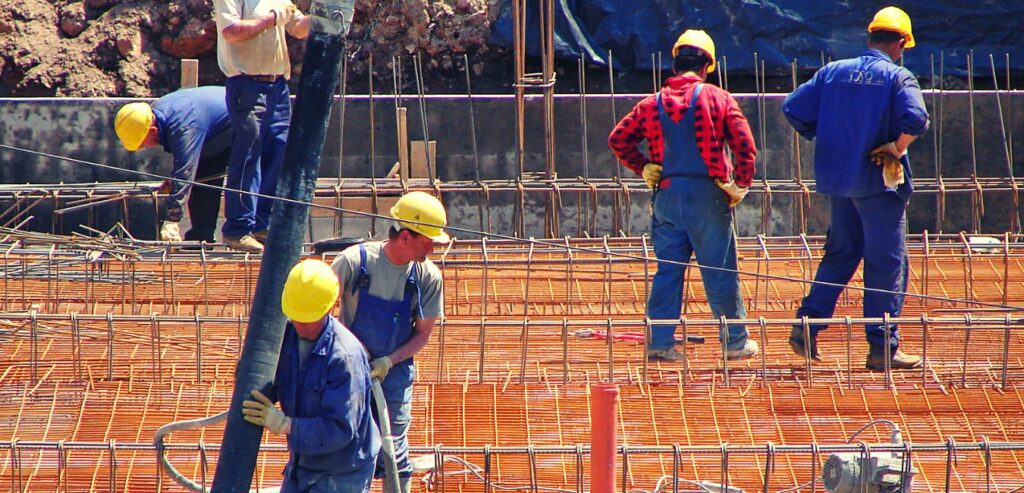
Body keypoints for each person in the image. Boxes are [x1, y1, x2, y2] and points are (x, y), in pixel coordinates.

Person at [782, 6, 929, 371]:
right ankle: (883, 348)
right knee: (885, 262)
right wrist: (896, 147)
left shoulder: (833, 71)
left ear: (869, 39)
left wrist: (831, 136)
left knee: (842, 253)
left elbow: (793, 108)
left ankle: (807, 326)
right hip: (879, 186)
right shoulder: (898, 77)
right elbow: (917, 119)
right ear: (900, 44)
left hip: (840, 182)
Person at [608, 29, 759, 363]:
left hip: (668, 197)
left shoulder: (651, 104)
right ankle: (734, 343)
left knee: (668, 271)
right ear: (708, 66)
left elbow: (618, 139)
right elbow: (745, 147)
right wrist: (740, 184)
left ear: (675, 64)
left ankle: (660, 343)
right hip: (708, 196)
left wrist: (643, 166)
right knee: (719, 271)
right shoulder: (718, 98)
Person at [330, 191, 448, 493]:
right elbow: (320, 314)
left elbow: (423, 333)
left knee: (393, 450)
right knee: (347, 445)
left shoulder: (426, 277)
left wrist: (388, 361)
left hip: (393, 373)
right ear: (406, 237)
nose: (433, 248)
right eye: (429, 240)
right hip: (350, 370)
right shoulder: (356, 262)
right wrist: (345, 355)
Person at [242, 258, 381, 492]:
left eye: (309, 317)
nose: (302, 324)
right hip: (303, 463)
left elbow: (340, 429)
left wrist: (285, 424)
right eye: (297, 316)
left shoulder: (344, 358)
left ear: (329, 307)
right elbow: (279, 381)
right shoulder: (288, 336)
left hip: (341, 472)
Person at [213, 0, 310, 252]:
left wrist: (321, 18)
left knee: (279, 150)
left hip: (277, 85)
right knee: (248, 155)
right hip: (246, 84)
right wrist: (270, 19)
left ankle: (261, 224)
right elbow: (231, 31)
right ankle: (238, 228)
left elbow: (297, 27)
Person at [113, 86, 233, 243]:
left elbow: (185, 171)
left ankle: (243, 232)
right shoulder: (159, 113)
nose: (145, 147)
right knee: (203, 180)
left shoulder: (184, 126)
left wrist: (172, 219)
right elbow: (186, 169)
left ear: (153, 131)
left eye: (142, 143)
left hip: (251, 123)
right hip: (218, 134)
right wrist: (175, 181)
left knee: (243, 178)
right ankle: (201, 238)